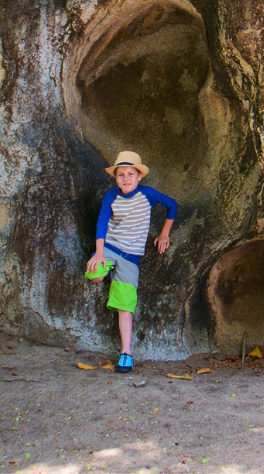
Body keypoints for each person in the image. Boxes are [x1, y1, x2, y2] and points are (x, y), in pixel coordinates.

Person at [84, 151, 177, 373]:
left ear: (139, 176)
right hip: (110, 248)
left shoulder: (148, 195)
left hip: (131, 257)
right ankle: (106, 269)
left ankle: (126, 353)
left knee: (125, 306)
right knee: (95, 275)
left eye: (131, 174)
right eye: (121, 175)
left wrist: (164, 234)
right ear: (116, 178)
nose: (126, 179)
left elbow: (172, 205)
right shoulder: (111, 197)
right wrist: (99, 254)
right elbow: (102, 224)